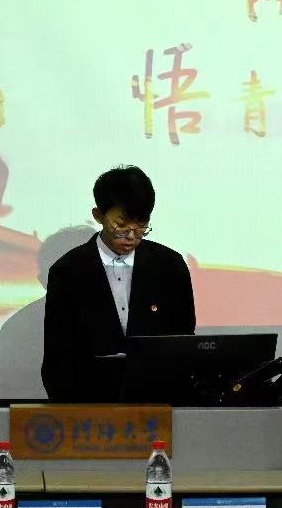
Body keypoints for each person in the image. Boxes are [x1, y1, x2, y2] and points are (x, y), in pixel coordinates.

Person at [40, 165, 195, 402]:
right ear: (98, 215)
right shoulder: (67, 272)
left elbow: (184, 343)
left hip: (159, 404)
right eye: (121, 225)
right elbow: (57, 356)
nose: (131, 236)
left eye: (141, 225)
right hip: (89, 405)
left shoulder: (170, 266)